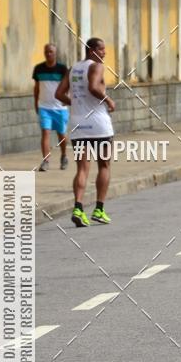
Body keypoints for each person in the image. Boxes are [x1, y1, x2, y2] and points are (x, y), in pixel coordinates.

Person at [55, 37, 115, 225]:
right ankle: (99, 209)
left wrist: (74, 104)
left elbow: (59, 94)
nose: (105, 53)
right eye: (102, 49)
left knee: (82, 168)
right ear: (91, 51)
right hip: (99, 125)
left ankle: (78, 208)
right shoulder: (97, 66)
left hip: (78, 124)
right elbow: (94, 87)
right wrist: (108, 100)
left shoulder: (73, 69)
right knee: (104, 165)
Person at [32, 43, 68, 171]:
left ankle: (64, 156)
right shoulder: (38, 69)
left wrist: (66, 99)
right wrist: (36, 102)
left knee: (61, 134)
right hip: (44, 107)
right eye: (46, 51)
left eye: (51, 52)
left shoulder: (62, 69)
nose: (48, 54)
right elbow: (36, 88)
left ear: (55, 53)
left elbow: (67, 85)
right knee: (45, 132)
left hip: (60, 108)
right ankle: (46, 161)